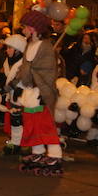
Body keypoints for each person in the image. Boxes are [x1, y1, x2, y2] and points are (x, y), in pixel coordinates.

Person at [10, 10, 64, 175]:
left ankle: (55, 154)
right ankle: (38, 152)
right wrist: (14, 84)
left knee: (45, 126)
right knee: (32, 124)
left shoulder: (45, 47)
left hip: (41, 93)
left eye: (25, 27)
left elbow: (49, 71)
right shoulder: (30, 45)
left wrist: (42, 90)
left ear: (34, 29)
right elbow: (24, 68)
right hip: (29, 91)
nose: (23, 30)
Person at [0, 33, 27, 154]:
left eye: (10, 48)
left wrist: (5, 89)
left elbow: (18, 79)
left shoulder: (23, 63)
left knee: (19, 121)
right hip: (13, 95)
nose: (7, 50)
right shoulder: (10, 62)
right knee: (15, 121)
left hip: (22, 96)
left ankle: (19, 144)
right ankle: (16, 143)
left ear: (18, 50)